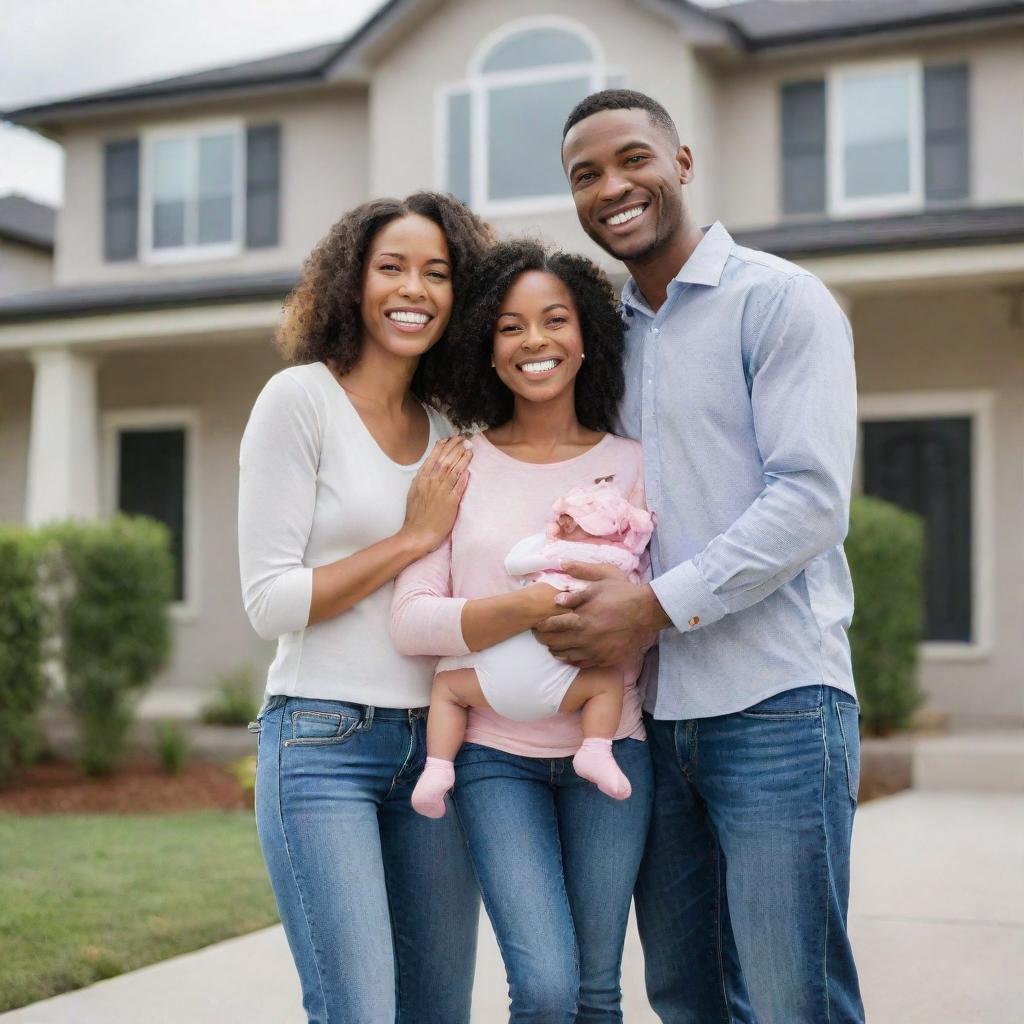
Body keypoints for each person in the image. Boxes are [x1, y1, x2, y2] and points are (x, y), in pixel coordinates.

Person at [543, 89, 866, 1023]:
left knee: (790, 994)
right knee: (685, 996)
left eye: (634, 159)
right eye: (586, 175)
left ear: (682, 162)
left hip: (775, 705)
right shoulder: (595, 335)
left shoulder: (778, 301)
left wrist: (650, 606)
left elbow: (808, 499)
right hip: (647, 719)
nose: (614, 187)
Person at [238, 192, 492, 1024]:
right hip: (321, 743)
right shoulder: (299, 401)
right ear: (353, 282)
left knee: (437, 1011)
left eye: (437, 272)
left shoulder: (449, 427)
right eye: (392, 267)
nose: (413, 288)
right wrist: (409, 539)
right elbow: (270, 601)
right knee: (359, 1011)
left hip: (438, 753)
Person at [391, 240, 653, 1023]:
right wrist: (530, 608)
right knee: (542, 989)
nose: (535, 341)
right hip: (492, 760)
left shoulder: (636, 464)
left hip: (612, 746)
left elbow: (657, 616)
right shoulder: (456, 465)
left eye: (554, 320)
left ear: (587, 337)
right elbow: (411, 622)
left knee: (597, 993)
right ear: (485, 346)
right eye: (510, 327)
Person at [409, 478, 654, 817]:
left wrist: (547, 543)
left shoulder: (550, 554)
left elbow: (516, 563)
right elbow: (641, 608)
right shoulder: (622, 565)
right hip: (565, 687)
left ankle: (437, 767)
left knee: (447, 688)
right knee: (608, 682)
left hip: (497, 683)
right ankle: (596, 748)